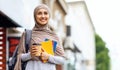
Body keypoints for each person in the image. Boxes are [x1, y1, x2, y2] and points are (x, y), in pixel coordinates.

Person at [14, 4, 66, 70]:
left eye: (45, 13)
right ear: (35, 16)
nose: (43, 16)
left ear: (49, 16)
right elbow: (19, 57)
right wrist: (30, 55)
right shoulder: (27, 34)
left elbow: (62, 60)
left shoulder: (54, 36)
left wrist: (49, 57)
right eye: (39, 13)